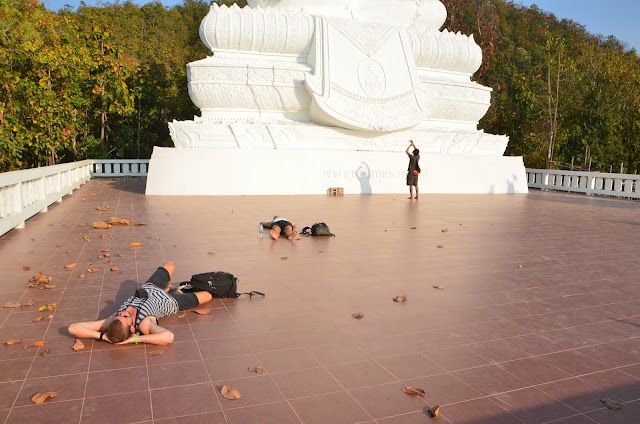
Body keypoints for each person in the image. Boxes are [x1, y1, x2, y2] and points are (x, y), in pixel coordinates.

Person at [68, 261, 212, 345]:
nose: (122, 313)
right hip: (170, 302)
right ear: (132, 329)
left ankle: (167, 287)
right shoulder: (144, 324)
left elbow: (73, 328)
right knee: (208, 295)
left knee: (170, 265)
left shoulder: (111, 322)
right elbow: (168, 337)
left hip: (150, 287)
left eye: (119, 315)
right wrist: (133, 340)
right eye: (124, 317)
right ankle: (170, 290)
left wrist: (101, 336)